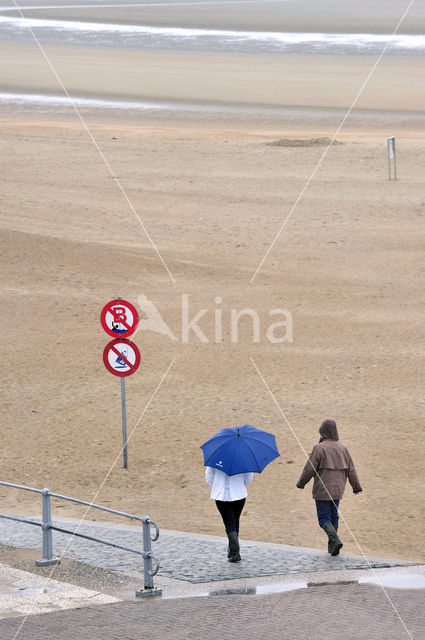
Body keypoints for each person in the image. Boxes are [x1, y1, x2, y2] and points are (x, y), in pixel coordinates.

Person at [296, 419, 362, 556]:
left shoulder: (319, 448)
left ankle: (335, 540)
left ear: (323, 431)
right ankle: (332, 548)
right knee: (334, 516)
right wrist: (356, 487)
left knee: (324, 519)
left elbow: (310, 468)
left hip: (322, 489)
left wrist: (301, 483)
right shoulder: (343, 448)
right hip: (338, 489)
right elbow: (351, 470)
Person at [205, 467, 253, 562]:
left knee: (230, 523)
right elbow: (249, 478)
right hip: (239, 494)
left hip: (221, 495)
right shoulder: (243, 458)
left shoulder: (216, 457)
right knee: (235, 521)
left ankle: (235, 552)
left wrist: (217, 487)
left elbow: (209, 477)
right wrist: (239, 486)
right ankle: (233, 550)